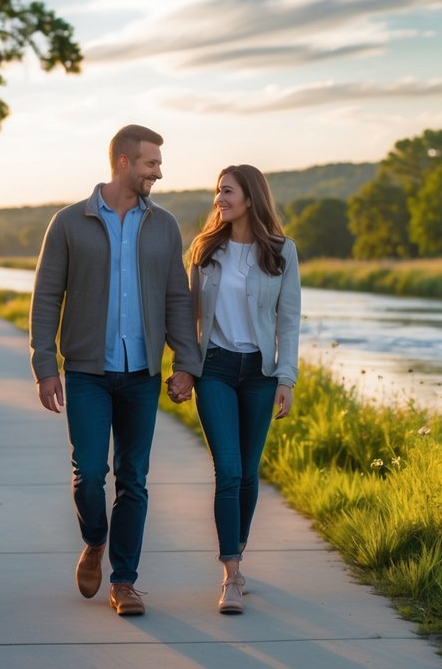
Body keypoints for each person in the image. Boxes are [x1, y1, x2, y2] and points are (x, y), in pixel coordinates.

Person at [29, 124, 198, 617]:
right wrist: (45, 365)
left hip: (141, 374)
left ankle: (124, 582)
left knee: (134, 479)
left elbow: (176, 298)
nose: (159, 173)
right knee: (88, 475)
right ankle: (95, 540)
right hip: (86, 372)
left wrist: (185, 362)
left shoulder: (163, 225)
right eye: (151, 164)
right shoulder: (69, 222)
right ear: (123, 162)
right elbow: (45, 297)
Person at [172, 163, 301, 614]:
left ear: (250, 197)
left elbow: (288, 320)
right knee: (227, 469)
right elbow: (187, 320)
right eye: (216, 192)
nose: (218, 199)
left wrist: (286, 377)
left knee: (248, 472)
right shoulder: (205, 250)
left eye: (226, 191)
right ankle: (231, 574)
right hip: (217, 371)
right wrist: (184, 368)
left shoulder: (283, 252)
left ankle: (238, 548)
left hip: (261, 375)